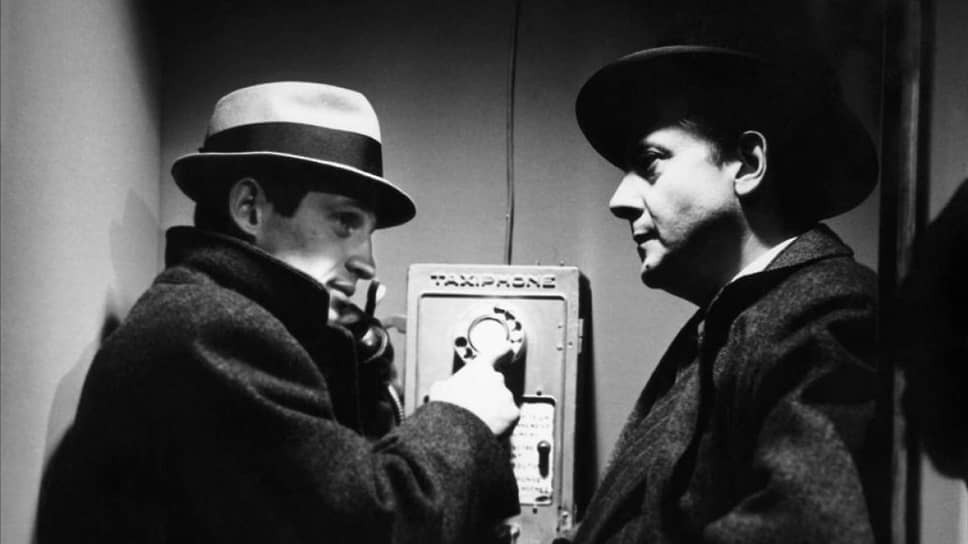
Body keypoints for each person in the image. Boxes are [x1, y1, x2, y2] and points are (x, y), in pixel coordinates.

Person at [36, 82, 519, 543]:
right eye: (345, 220)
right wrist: (462, 417)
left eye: (368, 233)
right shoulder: (210, 333)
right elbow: (368, 528)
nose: (367, 264)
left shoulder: (208, 315)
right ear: (250, 208)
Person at [568, 42, 888, 543]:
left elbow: (807, 527)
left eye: (649, 162)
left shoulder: (828, 308)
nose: (619, 200)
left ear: (747, 163)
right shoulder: (733, 326)